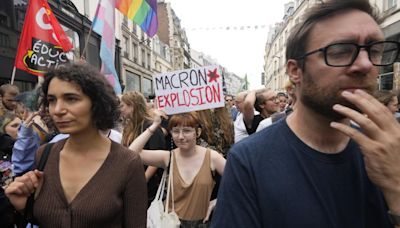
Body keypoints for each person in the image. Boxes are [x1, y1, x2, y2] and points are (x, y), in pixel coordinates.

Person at [212, 1, 400, 227]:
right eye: (339, 51)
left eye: (375, 50)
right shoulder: (249, 162)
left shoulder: (390, 151)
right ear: (295, 71)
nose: (365, 64)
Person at [5, 62, 147, 227]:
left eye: (71, 99)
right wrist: (24, 207)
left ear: (97, 103)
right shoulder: (45, 154)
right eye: (51, 100)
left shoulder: (127, 163)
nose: (57, 109)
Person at [129, 111, 226, 227]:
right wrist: (154, 126)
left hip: (201, 223)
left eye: (187, 131)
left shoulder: (212, 157)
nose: (180, 137)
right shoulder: (168, 157)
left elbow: (240, 181)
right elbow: (131, 153)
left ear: (198, 132)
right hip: (170, 223)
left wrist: (218, 201)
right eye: (175, 131)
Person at [120, 91, 166, 207]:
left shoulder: (151, 126)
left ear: (132, 106)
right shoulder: (129, 126)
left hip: (149, 188)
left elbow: (156, 161)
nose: (120, 109)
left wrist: (144, 180)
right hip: (131, 182)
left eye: (122, 106)